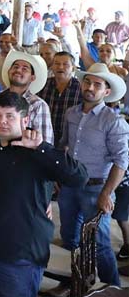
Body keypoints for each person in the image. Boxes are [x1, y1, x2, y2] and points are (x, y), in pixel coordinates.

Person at [0, 90, 87, 297]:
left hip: (19, 255)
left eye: (10, 116)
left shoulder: (36, 151)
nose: (2, 121)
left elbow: (79, 177)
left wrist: (41, 147)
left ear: (25, 120)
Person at [56, 63, 129, 290]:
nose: (90, 87)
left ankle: (112, 288)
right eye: (87, 82)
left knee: (99, 242)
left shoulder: (113, 121)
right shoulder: (71, 113)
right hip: (70, 185)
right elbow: (63, 146)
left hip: (97, 188)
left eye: (97, 84)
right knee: (69, 236)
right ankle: (75, 281)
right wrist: (59, 176)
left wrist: (107, 193)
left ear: (106, 91)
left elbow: (121, 161)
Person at [0, 50, 54, 144]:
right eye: (15, 67)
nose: (18, 70)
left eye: (24, 69)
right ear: (9, 72)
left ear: (32, 78)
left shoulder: (38, 105)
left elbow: (45, 142)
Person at [37, 51, 81, 144]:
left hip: (70, 139)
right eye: (56, 64)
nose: (60, 67)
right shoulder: (43, 84)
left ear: (73, 68)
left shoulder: (80, 88)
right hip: (44, 136)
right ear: (52, 67)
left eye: (65, 64)